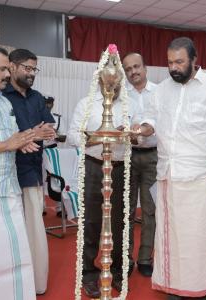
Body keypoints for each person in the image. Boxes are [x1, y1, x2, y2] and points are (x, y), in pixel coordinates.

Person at [132, 37, 206, 300]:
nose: (174, 67)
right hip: (169, 173)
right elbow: (152, 119)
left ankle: (200, 287)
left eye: (179, 62)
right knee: (171, 235)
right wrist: (143, 129)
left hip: (201, 175)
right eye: (170, 63)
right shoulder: (163, 89)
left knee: (199, 236)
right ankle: (173, 285)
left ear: (194, 60)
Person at [67, 76, 138, 298]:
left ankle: (116, 270)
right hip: (94, 167)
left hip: (120, 168)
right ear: (99, 81)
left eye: (116, 82)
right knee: (91, 222)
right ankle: (88, 273)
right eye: (108, 82)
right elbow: (72, 137)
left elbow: (142, 138)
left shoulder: (131, 104)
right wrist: (103, 136)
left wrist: (133, 135)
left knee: (119, 224)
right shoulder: (86, 103)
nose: (113, 87)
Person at [2, 48, 56, 295]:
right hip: (8, 172)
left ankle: (35, 284)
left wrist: (35, 133)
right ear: (12, 66)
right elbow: (12, 137)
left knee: (34, 231)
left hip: (32, 172)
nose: (31, 73)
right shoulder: (3, 97)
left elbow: (48, 127)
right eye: (27, 68)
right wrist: (30, 134)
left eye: (34, 69)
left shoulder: (36, 97)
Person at [0, 46, 39, 300]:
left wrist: (23, 141)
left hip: (9, 189)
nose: (7, 73)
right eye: (2, 69)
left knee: (15, 257)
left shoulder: (3, 102)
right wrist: (7, 145)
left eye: (7, 68)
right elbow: (6, 143)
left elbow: (11, 137)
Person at [122, 53, 157, 277]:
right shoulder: (120, 95)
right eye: (128, 69)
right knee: (125, 209)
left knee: (149, 210)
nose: (133, 71)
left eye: (137, 66)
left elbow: (162, 123)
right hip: (126, 155)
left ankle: (145, 258)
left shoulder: (159, 92)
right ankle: (125, 258)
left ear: (145, 67)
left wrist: (145, 131)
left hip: (154, 156)